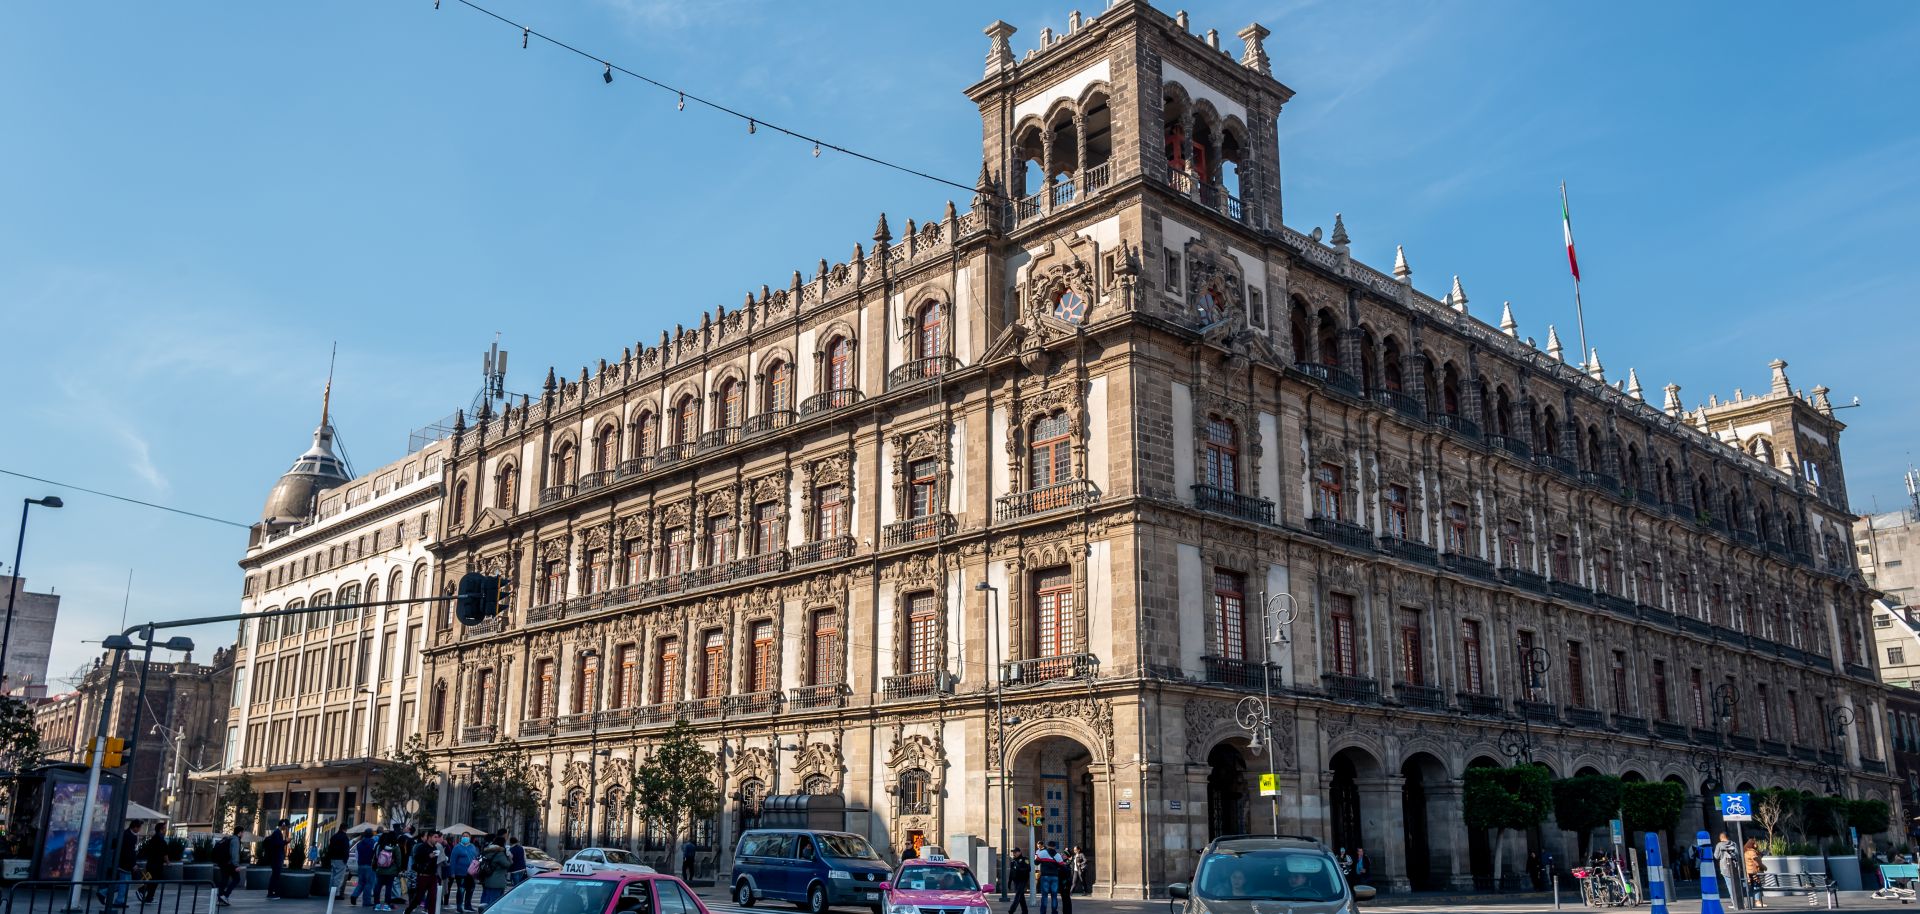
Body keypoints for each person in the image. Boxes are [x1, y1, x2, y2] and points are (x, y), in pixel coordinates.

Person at [405, 831, 442, 914]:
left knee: (433, 897)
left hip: (432, 876)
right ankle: (408, 910)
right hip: (423, 876)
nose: (437, 839)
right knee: (418, 897)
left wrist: (437, 874)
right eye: (435, 837)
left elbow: (434, 863)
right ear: (429, 837)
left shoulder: (435, 848)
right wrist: (428, 856)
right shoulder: (421, 847)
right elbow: (417, 859)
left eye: (437, 837)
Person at [375, 827, 405, 911]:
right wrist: (399, 869)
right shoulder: (395, 847)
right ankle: (387, 903)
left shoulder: (381, 846)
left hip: (380, 870)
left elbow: (377, 857)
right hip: (391, 871)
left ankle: (376, 903)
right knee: (389, 887)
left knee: (378, 886)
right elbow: (399, 860)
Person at [138, 827, 170, 903]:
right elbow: (164, 853)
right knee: (154, 880)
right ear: (161, 830)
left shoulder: (153, 839)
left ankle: (149, 897)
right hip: (157, 864)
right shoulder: (161, 840)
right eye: (164, 829)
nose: (165, 830)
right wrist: (168, 862)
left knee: (151, 879)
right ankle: (143, 890)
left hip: (150, 863)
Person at [1716, 831, 1746, 910]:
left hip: (1725, 868)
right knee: (1737, 885)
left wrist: (1721, 854)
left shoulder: (1719, 845)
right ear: (1727, 837)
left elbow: (1716, 856)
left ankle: (1734, 903)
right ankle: (1741, 902)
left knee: (1730, 886)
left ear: (1721, 837)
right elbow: (1737, 854)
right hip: (1735, 867)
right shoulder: (1734, 844)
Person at [479, 840, 512, 908]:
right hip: (497, 881)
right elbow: (507, 864)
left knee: (486, 901)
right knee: (495, 903)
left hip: (487, 880)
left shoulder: (487, 852)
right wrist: (509, 857)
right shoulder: (499, 854)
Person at [1034, 842, 1064, 914]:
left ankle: (1043, 912)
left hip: (1045, 876)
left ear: (1047, 846)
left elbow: (1036, 862)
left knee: (1044, 896)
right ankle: (1054, 911)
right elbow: (1062, 866)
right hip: (1055, 877)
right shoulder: (1058, 855)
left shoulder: (1042, 853)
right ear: (1054, 847)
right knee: (1054, 896)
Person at [450, 835, 479, 913]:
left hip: (471, 872)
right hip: (460, 872)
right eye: (464, 836)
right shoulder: (457, 847)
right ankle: (459, 906)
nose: (465, 837)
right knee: (461, 889)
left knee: (471, 889)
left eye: (467, 836)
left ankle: (468, 905)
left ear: (469, 837)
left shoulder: (472, 846)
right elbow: (452, 860)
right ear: (461, 838)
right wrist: (452, 872)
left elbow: (475, 857)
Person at [215, 828, 243, 906]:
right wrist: (236, 865)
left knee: (224, 879)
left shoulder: (229, 838)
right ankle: (225, 895)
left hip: (223, 863)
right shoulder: (235, 840)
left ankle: (220, 899)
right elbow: (234, 854)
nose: (243, 834)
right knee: (237, 879)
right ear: (240, 832)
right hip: (230, 864)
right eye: (242, 832)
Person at [353, 829, 381, 907]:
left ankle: (354, 895)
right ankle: (366, 901)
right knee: (369, 884)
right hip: (370, 865)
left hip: (361, 865)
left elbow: (357, 855)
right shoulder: (375, 843)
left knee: (361, 882)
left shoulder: (359, 843)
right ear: (372, 835)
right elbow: (377, 855)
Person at [263, 823, 288, 899]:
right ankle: (271, 893)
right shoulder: (277, 832)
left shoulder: (277, 832)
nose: (286, 828)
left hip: (276, 858)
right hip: (276, 858)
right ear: (283, 825)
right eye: (286, 826)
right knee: (275, 876)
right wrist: (286, 841)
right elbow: (277, 844)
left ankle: (272, 892)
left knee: (275, 875)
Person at [327, 829, 353, 900]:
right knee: (339, 877)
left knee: (333, 876)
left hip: (333, 858)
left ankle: (331, 892)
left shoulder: (334, 836)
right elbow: (346, 849)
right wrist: (345, 859)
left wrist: (330, 857)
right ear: (346, 829)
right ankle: (336, 894)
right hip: (341, 859)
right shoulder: (344, 837)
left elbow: (330, 848)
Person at [1743, 838, 1768, 908]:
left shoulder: (1746, 851)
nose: (1756, 844)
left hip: (1749, 871)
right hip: (1754, 872)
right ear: (1752, 844)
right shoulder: (1752, 852)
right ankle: (1758, 901)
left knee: (1753, 886)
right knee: (1757, 885)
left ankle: (1754, 901)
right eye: (1755, 843)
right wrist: (1765, 867)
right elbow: (1757, 862)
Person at [1006, 847, 1031, 914]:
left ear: (1019, 852)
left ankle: (1011, 910)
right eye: (1013, 852)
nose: (1014, 853)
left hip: (1022, 880)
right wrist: (1009, 881)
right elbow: (1011, 872)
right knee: (1021, 896)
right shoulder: (1013, 861)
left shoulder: (1025, 859)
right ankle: (1025, 911)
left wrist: (1019, 869)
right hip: (1016, 880)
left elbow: (1028, 868)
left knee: (1018, 895)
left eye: (1015, 852)